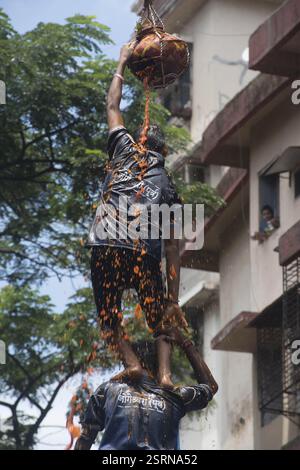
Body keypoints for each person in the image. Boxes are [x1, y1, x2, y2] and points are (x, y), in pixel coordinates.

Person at [87, 42, 187, 388]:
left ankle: (131, 363)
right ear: (164, 152)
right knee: (160, 318)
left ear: (142, 140)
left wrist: (122, 60)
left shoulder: (123, 147)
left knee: (108, 318)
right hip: (144, 253)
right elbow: (174, 249)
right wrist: (172, 299)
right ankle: (165, 375)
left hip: (106, 244)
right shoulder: (172, 189)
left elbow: (112, 104)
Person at [74, 328, 218, 451]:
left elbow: (85, 438)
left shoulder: (107, 390)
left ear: (128, 363)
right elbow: (210, 387)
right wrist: (185, 343)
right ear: (162, 367)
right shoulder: (175, 396)